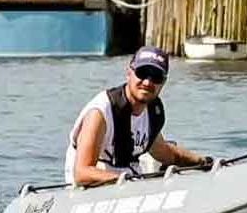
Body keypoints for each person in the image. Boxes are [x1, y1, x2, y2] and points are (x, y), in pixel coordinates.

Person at [65, 47, 215, 186]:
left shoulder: (152, 112)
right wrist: (127, 181)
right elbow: (82, 173)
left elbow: (167, 153)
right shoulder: (100, 112)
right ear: (129, 73)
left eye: (156, 77)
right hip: (90, 187)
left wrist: (203, 162)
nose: (148, 82)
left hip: (128, 179)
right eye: (142, 73)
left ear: (163, 82)